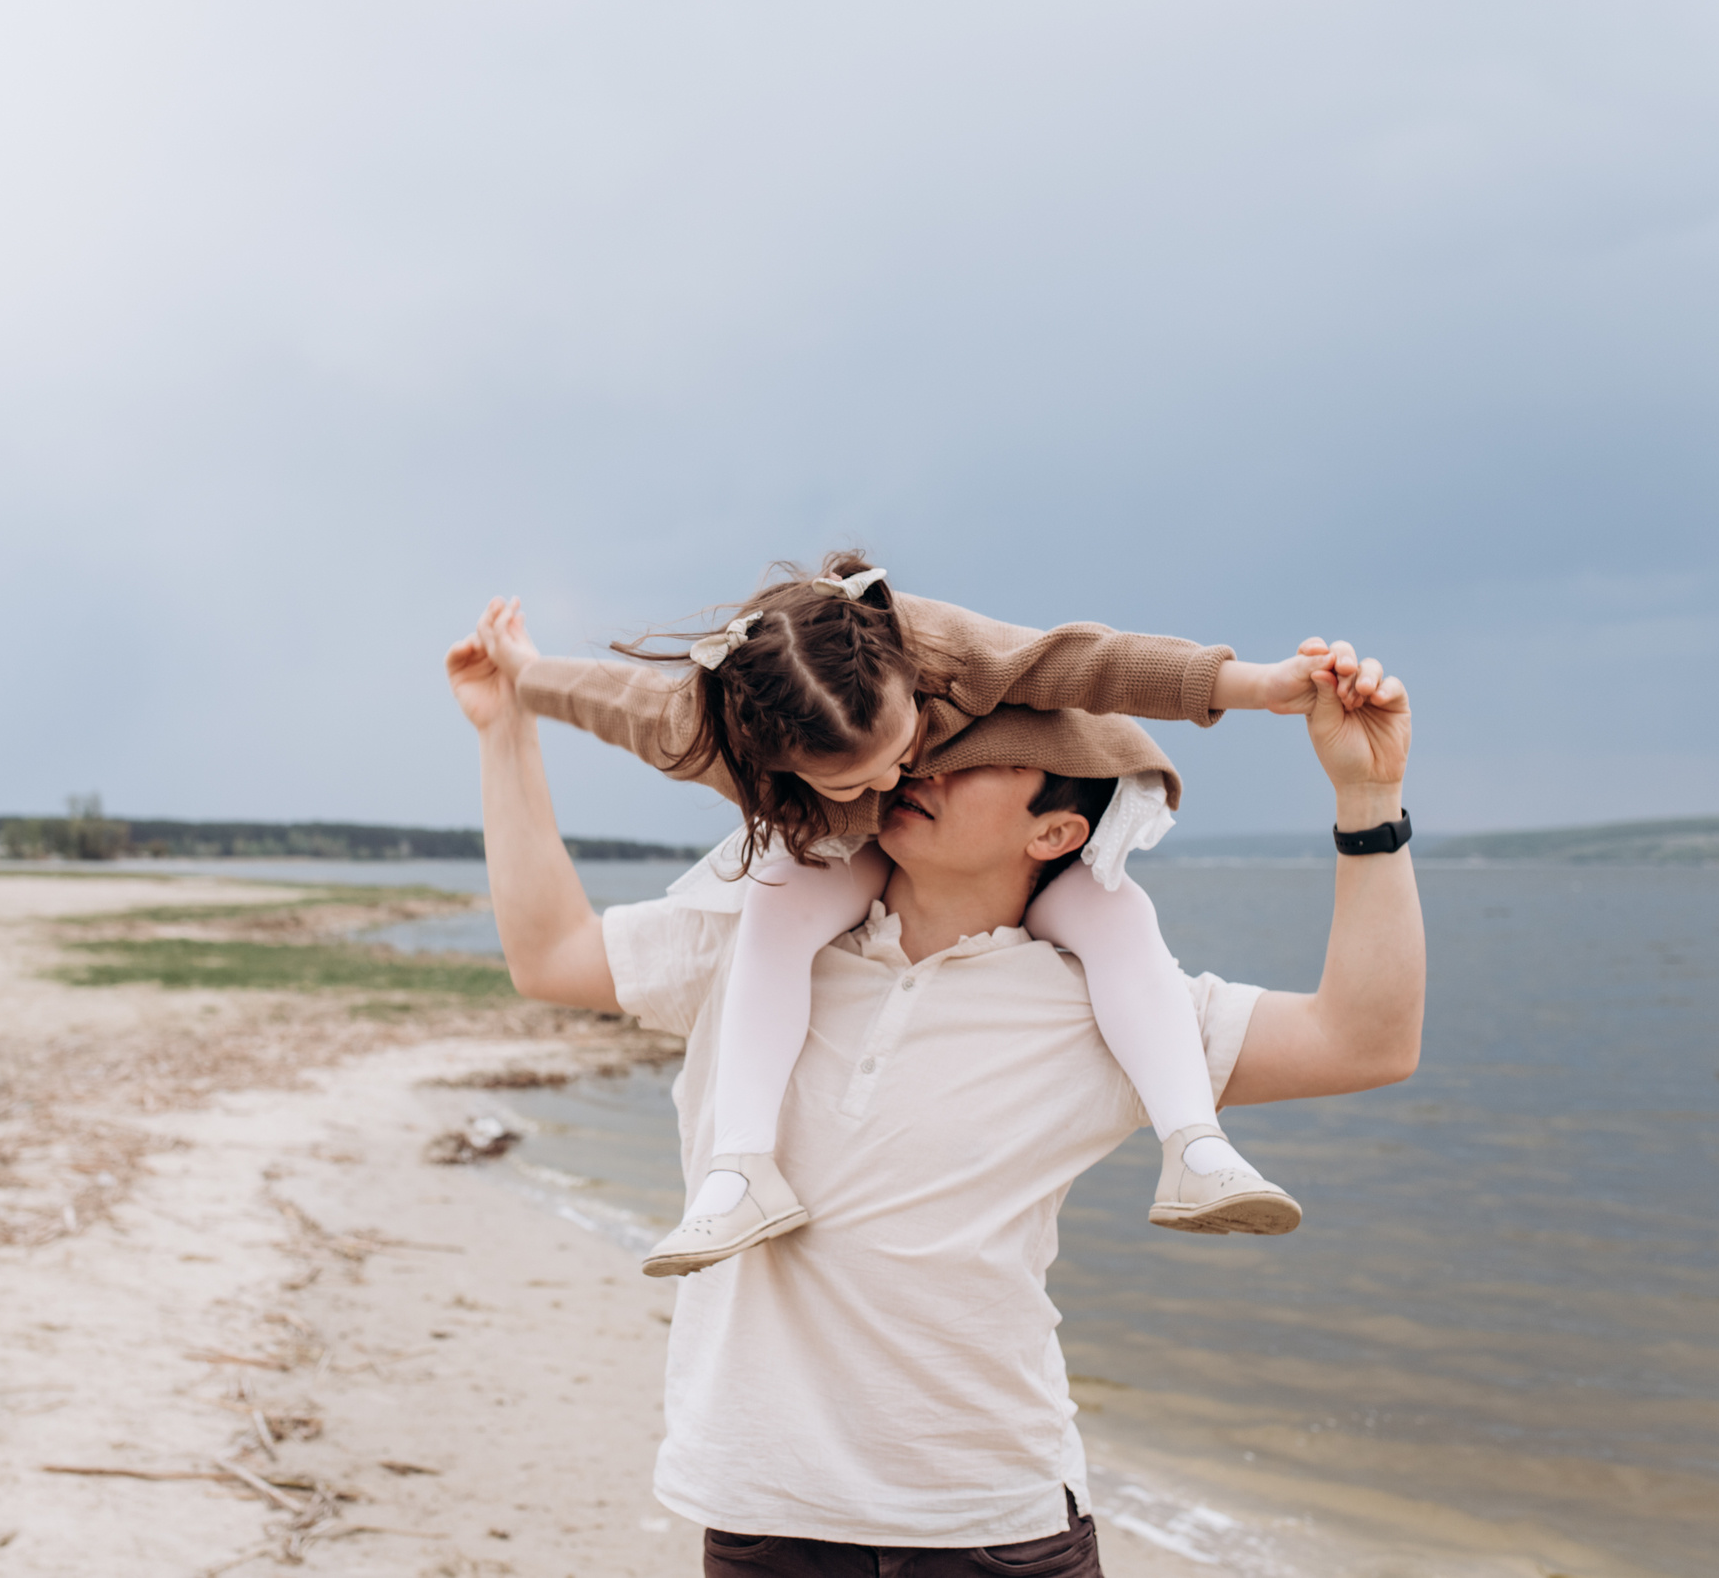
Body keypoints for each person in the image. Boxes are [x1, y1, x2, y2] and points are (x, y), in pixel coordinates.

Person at [444, 614, 1424, 1574]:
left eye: (982, 752)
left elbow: (1363, 1041)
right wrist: (504, 731)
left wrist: (1366, 798)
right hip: (762, 1516)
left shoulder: (1115, 1007)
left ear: (1058, 829)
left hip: (995, 1528)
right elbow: (549, 955)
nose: (925, 764)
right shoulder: (749, 948)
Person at [470, 559, 1356, 1275]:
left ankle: (1195, 1147)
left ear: (907, 677)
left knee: (1120, 918)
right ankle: (739, 1168)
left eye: (905, 746)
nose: (896, 781)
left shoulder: (936, 645)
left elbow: (1092, 659)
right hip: (858, 852)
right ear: (781, 769)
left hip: (1051, 803)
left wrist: (1257, 684)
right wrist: (521, 679)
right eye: (857, 780)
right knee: (775, 905)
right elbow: (615, 702)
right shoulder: (721, 738)